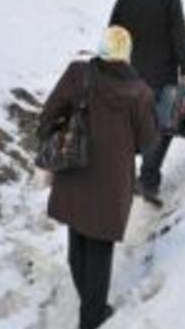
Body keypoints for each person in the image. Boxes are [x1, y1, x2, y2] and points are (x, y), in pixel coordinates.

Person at [39, 27, 158, 329]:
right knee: (99, 253)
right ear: (127, 54)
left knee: (77, 250)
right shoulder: (140, 93)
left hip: (75, 170)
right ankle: (93, 317)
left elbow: (48, 116)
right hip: (112, 183)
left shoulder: (79, 75)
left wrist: (62, 133)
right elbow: (147, 142)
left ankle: (92, 312)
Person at [108, 0, 185, 207]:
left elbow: (113, 36)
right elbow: (179, 32)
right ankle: (148, 179)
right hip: (161, 76)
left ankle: (130, 179)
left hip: (128, 76)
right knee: (164, 126)